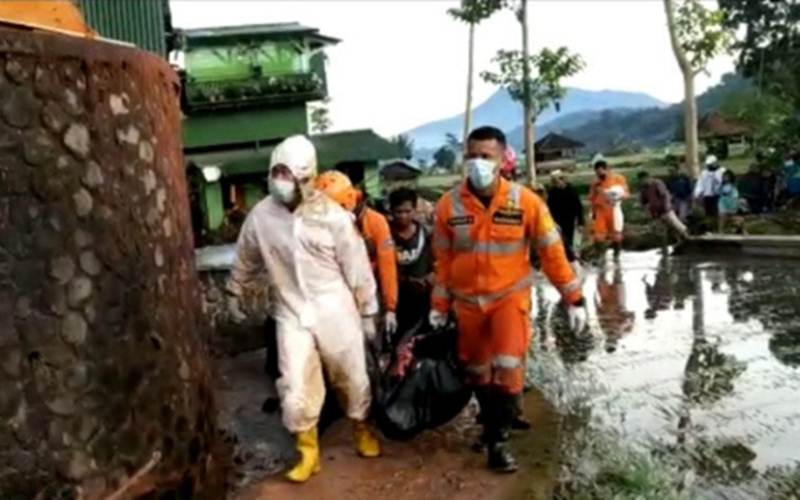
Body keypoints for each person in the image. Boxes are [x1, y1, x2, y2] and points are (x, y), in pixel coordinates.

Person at [430, 126, 586, 473]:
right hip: (468, 304)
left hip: (508, 298)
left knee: (509, 367)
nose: (477, 163)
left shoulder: (526, 202)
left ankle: (498, 442)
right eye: (471, 156)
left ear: (502, 160)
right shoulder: (448, 206)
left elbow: (552, 254)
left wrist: (574, 298)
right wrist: (439, 307)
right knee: (475, 371)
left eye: (485, 157)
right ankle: (494, 421)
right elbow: (443, 263)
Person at [228, 136, 381, 483]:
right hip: (290, 310)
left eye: (290, 175)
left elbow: (356, 265)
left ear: (307, 178)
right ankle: (308, 450)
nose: (281, 182)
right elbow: (246, 256)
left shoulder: (332, 217)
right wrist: (234, 290)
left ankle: (361, 428)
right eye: (277, 173)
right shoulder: (261, 217)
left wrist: (368, 310)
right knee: (295, 383)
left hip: (335, 308)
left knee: (352, 375)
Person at [315, 171, 399, 339]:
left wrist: (390, 308)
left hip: (369, 292)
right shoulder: (317, 224)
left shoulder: (376, 223)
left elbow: (387, 267)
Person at [389, 187, 434, 338]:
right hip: (396, 299)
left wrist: (432, 275)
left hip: (422, 298)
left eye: (407, 211)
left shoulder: (426, 233)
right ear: (391, 211)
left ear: (414, 210)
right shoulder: (386, 235)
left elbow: (436, 259)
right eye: (398, 212)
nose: (403, 216)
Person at [588, 156, 629, 258]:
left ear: (606, 169)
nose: (599, 175)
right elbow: (592, 198)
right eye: (597, 173)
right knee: (598, 236)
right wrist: (592, 212)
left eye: (601, 172)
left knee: (616, 235)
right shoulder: (595, 183)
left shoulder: (618, 179)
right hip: (600, 211)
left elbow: (626, 194)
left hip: (614, 209)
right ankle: (600, 258)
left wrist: (618, 197)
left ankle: (617, 256)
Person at [637, 171, 690, 240]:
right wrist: (644, 208)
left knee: (676, 224)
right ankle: (671, 242)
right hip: (655, 212)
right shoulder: (644, 188)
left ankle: (687, 237)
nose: (642, 182)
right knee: (661, 230)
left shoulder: (657, 183)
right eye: (641, 181)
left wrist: (665, 207)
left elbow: (665, 196)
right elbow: (643, 201)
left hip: (665, 210)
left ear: (647, 177)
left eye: (643, 180)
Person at [546, 170, 585, 264]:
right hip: (556, 221)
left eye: (557, 181)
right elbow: (549, 208)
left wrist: (580, 222)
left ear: (563, 180)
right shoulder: (552, 193)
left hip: (569, 220)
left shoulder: (571, 191)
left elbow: (578, 207)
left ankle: (571, 260)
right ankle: (563, 260)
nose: (556, 183)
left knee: (569, 241)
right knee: (558, 241)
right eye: (554, 182)